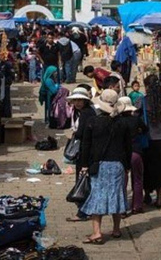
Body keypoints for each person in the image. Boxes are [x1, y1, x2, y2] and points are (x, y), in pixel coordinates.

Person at [79, 89, 132, 244]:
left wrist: (84, 165)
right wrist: (127, 165)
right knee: (117, 196)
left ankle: (97, 232)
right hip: (117, 165)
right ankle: (116, 229)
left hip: (99, 165)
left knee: (97, 197)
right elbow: (128, 147)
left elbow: (86, 145)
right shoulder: (123, 124)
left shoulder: (93, 122)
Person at [138, 74, 161, 207]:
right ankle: (160, 198)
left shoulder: (143, 101)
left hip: (149, 139)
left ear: (147, 86)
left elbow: (136, 116)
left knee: (147, 169)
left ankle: (147, 194)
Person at [66, 86, 96, 223]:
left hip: (85, 152)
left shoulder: (86, 114)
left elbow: (83, 134)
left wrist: (73, 135)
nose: (77, 103)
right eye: (75, 100)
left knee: (82, 183)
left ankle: (83, 211)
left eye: (80, 100)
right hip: (86, 151)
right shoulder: (85, 112)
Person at [118, 96, 147, 214]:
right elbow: (145, 129)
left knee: (122, 182)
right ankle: (137, 206)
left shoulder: (118, 121)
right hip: (136, 152)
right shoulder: (136, 119)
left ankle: (122, 207)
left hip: (122, 154)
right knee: (138, 179)